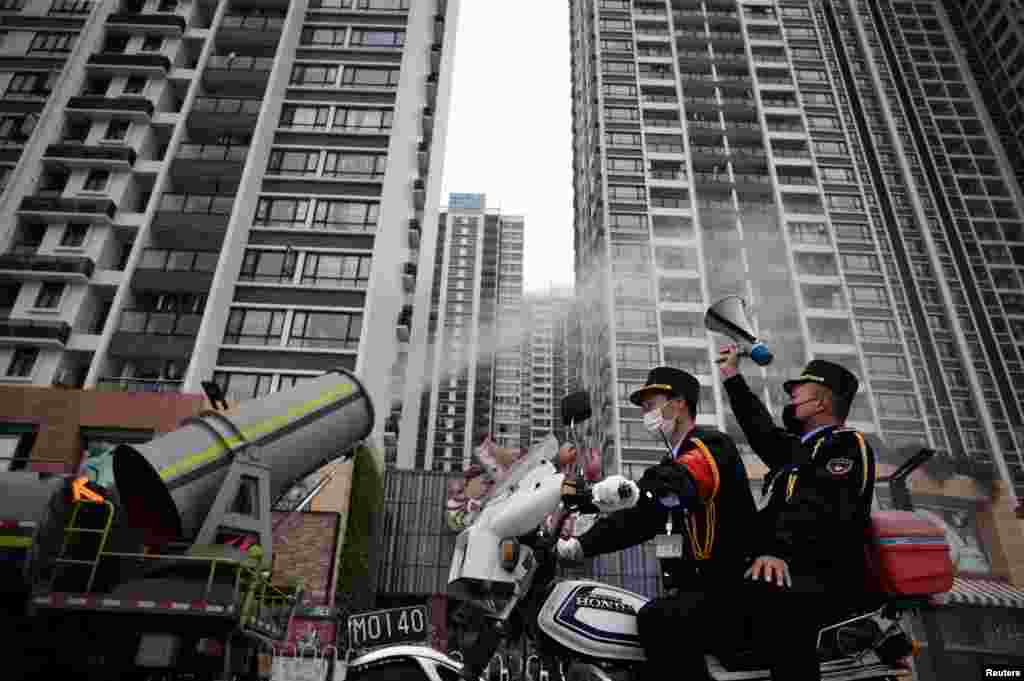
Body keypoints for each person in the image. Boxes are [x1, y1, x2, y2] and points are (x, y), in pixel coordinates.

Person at [556, 367, 758, 681]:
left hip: (731, 589)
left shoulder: (711, 446)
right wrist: (581, 545)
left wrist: (625, 491)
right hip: (699, 593)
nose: (644, 412)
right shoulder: (673, 463)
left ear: (678, 405)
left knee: (658, 618)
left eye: (651, 404)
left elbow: (678, 481)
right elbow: (638, 520)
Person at [718, 347, 877, 681]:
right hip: (789, 568)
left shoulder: (845, 445)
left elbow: (818, 506)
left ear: (820, 403)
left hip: (826, 578)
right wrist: (732, 377)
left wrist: (777, 551)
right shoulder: (798, 448)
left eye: (797, 394)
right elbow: (759, 428)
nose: (790, 401)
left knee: (777, 603)